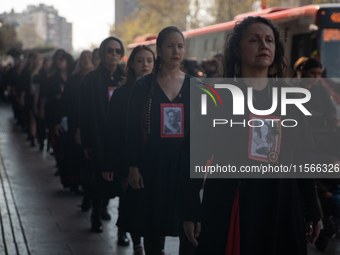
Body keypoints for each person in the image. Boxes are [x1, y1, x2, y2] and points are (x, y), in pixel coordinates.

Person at [183, 16, 321, 255]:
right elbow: (194, 156)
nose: (263, 45)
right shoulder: (218, 97)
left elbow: (302, 159)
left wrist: (313, 209)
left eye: (269, 40)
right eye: (254, 40)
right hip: (232, 206)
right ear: (237, 49)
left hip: (281, 206)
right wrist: (190, 210)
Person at [121, 26, 195, 255]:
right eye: (170, 46)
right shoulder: (143, 85)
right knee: (154, 227)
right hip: (152, 165)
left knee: (190, 229)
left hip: (185, 166)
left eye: (180, 46)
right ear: (160, 51)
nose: (176, 50)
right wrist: (133, 166)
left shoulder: (196, 85)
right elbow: (132, 128)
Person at [102, 45, 155, 255]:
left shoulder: (159, 89)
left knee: (149, 203)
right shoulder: (122, 93)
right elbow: (111, 129)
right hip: (125, 156)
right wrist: (108, 163)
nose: (145, 65)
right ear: (131, 64)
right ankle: (135, 241)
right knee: (129, 200)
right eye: (140, 60)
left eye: (149, 60)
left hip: (151, 157)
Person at [78, 37, 127, 243]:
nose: (114, 54)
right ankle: (96, 216)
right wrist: (87, 142)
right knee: (99, 180)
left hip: (123, 139)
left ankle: (123, 230)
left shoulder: (126, 77)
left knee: (124, 186)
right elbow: (84, 112)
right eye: (110, 51)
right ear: (102, 54)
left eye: (117, 51)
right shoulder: (91, 80)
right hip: (100, 137)